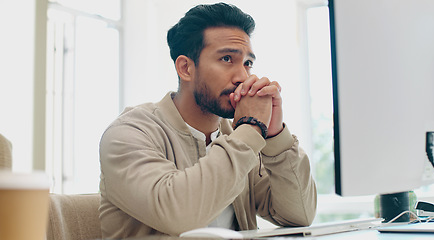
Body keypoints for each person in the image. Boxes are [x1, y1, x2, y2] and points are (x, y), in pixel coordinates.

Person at [99, 2, 317, 239]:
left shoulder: (240, 136)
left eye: (248, 63)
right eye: (226, 59)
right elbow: (180, 215)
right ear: (186, 68)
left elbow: (299, 215)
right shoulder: (129, 134)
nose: (243, 76)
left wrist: (274, 135)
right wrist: (251, 129)